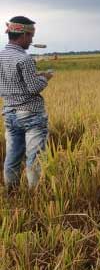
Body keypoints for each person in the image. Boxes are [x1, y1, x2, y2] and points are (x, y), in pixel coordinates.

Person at [1, 16, 53, 191]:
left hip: (9, 112)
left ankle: (11, 191)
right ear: (22, 34)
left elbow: (15, 82)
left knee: (12, 156)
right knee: (35, 157)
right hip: (30, 112)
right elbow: (32, 88)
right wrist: (45, 78)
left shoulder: (1, 57)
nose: (31, 40)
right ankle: (35, 194)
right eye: (30, 36)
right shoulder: (24, 59)